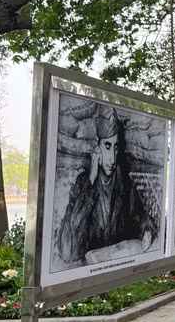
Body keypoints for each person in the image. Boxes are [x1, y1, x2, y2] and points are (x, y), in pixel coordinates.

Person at [58, 109, 157, 265]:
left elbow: (140, 217)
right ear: (97, 148)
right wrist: (91, 181)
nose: (112, 158)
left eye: (116, 147)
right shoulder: (82, 184)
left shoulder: (125, 184)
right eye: (107, 146)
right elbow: (68, 250)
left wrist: (147, 230)